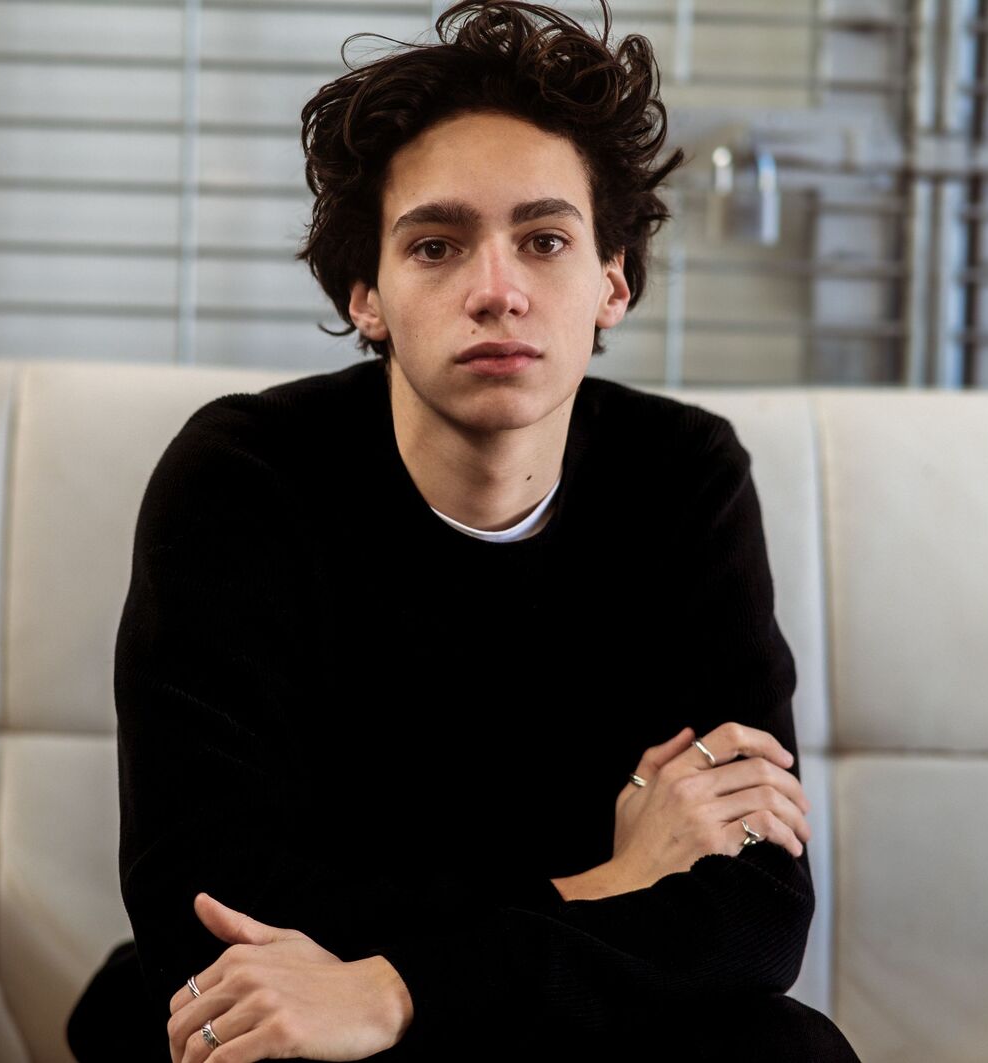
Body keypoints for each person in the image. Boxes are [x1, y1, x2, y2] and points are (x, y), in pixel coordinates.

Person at [67, 1, 860, 1060]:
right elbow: (204, 906)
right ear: (368, 295)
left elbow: (757, 912)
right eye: (436, 246)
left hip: (531, 1006)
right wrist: (604, 884)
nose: (497, 291)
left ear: (612, 282)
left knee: (787, 1049)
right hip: (303, 1024)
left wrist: (398, 986)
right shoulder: (243, 480)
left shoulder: (682, 479)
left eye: (545, 240)